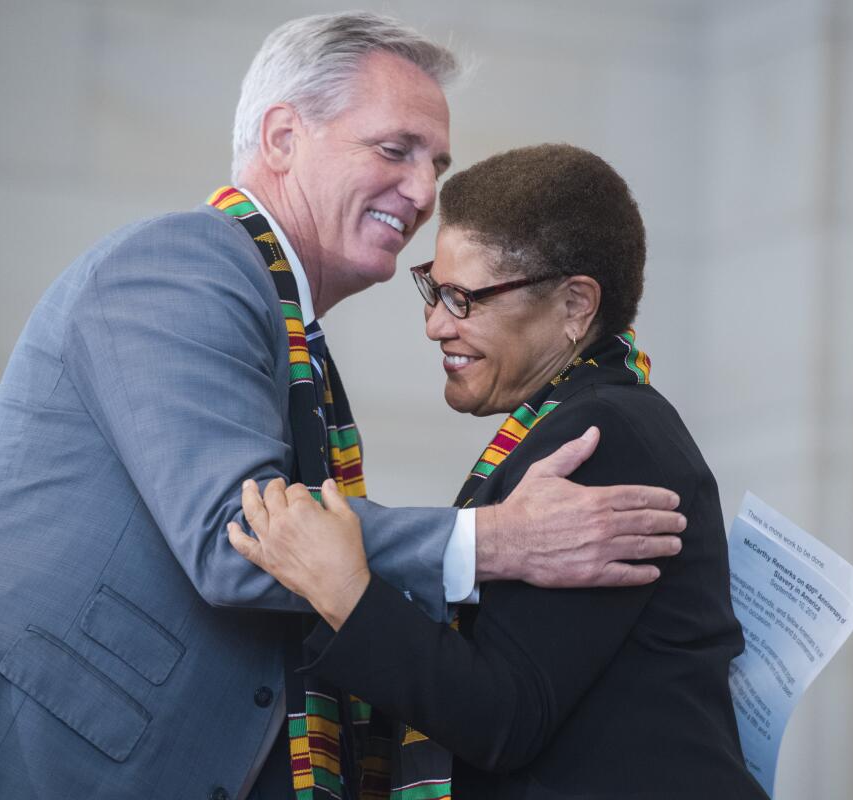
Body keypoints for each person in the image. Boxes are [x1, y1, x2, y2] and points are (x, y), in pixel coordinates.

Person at [0, 14, 689, 800]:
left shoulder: (288, 334)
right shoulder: (183, 263)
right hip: (29, 753)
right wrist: (494, 540)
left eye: (435, 164)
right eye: (397, 149)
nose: (424, 189)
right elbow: (240, 535)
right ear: (284, 137)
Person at [228, 144, 769, 798]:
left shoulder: (603, 440)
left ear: (575, 306)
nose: (434, 324)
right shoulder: (584, 421)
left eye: (463, 298)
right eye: (433, 288)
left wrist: (346, 590)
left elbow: (502, 717)